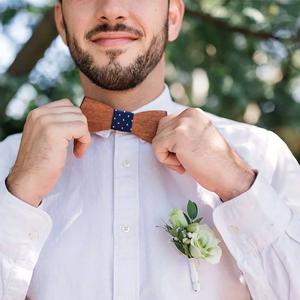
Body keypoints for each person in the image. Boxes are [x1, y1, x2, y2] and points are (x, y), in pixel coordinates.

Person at [0, 0, 299, 299]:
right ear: (62, 23)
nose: (111, 8)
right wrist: (19, 197)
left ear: (172, 17)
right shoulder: (9, 164)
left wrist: (238, 186)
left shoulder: (261, 155)